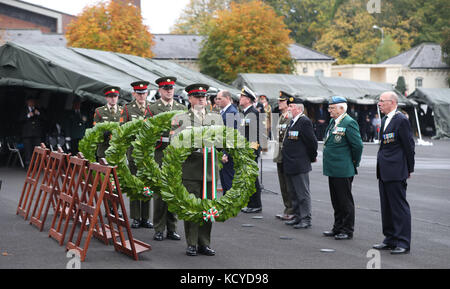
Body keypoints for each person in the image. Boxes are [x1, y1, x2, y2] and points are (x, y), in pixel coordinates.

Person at [172, 83, 223, 256]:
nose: (201, 99)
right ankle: (192, 242)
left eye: (204, 96)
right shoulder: (181, 117)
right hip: (191, 169)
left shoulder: (215, 117)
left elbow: (221, 140)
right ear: (190, 98)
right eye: (197, 96)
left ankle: (204, 242)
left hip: (210, 169)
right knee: (192, 207)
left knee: (208, 207)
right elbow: (175, 142)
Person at [373, 91, 415, 255]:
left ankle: (403, 242)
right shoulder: (385, 120)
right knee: (387, 207)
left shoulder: (401, 120)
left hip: (396, 170)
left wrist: (409, 169)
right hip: (384, 170)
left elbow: (409, 146)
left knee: (399, 208)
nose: (379, 103)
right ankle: (390, 239)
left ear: (392, 102)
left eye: (382, 101)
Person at [149, 76, 185, 241]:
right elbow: (147, 131)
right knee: (160, 192)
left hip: (176, 155)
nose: (169, 91)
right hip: (160, 153)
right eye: (165, 88)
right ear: (160, 90)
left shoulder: (181, 107)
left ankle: (172, 227)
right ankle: (159, 228)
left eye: (171, 88)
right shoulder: (153, 108)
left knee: (174, 191)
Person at [322, 96, 363, 240]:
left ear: (341, 108)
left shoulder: (348, 122)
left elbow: (357, 146)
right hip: (333, 168)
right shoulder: (334, 122)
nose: (329, 111)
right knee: (336, 201)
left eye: (332, 108)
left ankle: (347, 229)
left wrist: (353, 162)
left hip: (343, 168)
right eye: (329, 108)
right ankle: (337, 227)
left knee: (345, 201)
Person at [120, 80, 154, 229]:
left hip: (148, 152)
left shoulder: (152, 108)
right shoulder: (127, 109)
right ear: (134, 94)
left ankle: (145, 217)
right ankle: (135, 216)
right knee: (134, 185)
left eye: (144, 93)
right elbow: (122, 130)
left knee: (147, 184)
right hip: (133, 152)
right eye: (139, 93)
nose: (142, 96)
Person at [281, 97, 318, 229]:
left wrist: (312, 157)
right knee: (293, 193)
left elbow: (312, 143)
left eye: (291, 106)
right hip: (290, 163)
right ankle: (297, 216)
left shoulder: (304, 121)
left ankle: (305, 219)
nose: (289, 108)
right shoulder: (293, 122)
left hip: (299, 163)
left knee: (302, 194)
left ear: (299, 109)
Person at [239, 86, 263, 214]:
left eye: (242, 97)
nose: (240, 98)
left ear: (248, 99)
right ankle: (250, 203)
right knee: (248, 178)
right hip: (245, 151)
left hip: (250, 151)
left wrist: (252, 152)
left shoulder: (253, 113)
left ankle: (256, 204)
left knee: (252, 178)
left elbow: (254, 135)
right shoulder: (245, 113)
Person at [273, 91, 295, 221]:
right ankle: (287, 208)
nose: (279, 103)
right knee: (283, 185)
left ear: (288, 103)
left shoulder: (290, 116)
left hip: (286, 155)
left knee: (289, 185)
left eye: (281, 101)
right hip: (279, 155)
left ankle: (292, 210)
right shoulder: (282, 116)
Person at [215, 90, 239, 195]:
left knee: (228, 181)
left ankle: (231, 207)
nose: (217, 101)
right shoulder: (224, 111)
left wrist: (226, 153)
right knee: (224, 181)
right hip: (222, 150)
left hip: (228, 153)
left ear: (228, 98)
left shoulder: (231, 112)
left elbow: (231, 135)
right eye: (217, 98)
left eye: (220, 98)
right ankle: (226, 206)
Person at [93, 86, 122, 160]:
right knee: (103, 171)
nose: (113, 99)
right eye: (110, 96)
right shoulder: (99, 111)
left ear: (118, 97)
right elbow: (95, 131)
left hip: (118, 150)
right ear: (106, 98)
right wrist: (107, 133)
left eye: (115, 96)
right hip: (104, 150)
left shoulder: (123, 111)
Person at [19, 96, 46, 167]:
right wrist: (28, 115)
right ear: (27, 102)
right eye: (30, 101)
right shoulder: (23, 110)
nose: (32, 103)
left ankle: (37, 165)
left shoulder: (38, 110)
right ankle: (28, 165)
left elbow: (45, 119)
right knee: (28, 150)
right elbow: (20, 120)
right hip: (27, 134)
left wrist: (39, 114)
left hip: (37, 134)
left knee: (37, 150)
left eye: (33, 102)